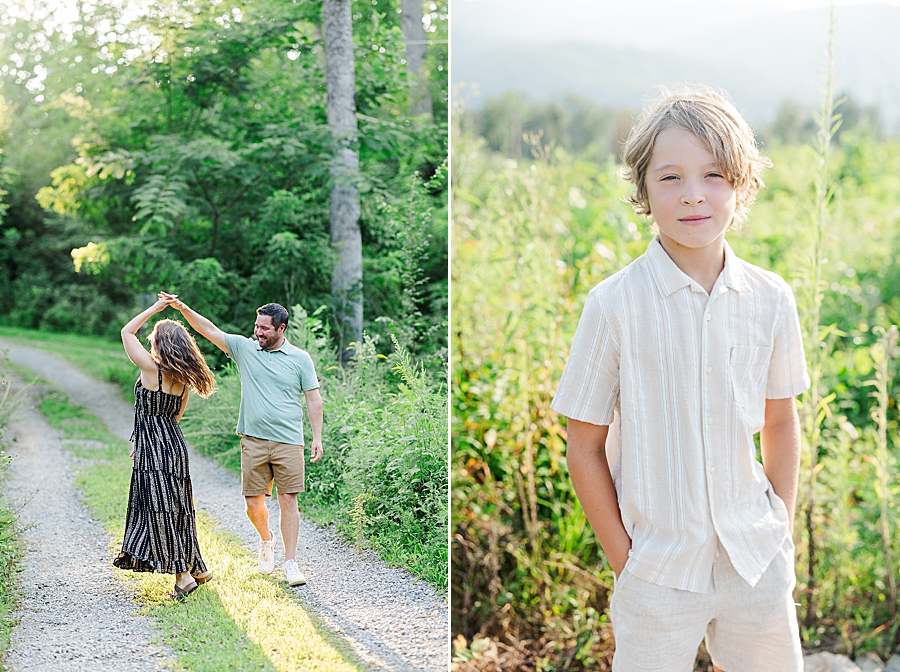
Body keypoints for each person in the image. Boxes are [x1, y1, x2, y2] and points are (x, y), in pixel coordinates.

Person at [551, 85, 809, 672]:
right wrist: (626, 562)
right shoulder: (614, 304)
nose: (693, 196)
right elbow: (583, 445)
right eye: (670, 178)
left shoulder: (770, 298)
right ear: (642, 189)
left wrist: (780, 530)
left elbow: (779, 420)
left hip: (756, 562)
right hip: (657, 570)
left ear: (741, 183)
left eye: (714, 175)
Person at [159, 293, 323, 587]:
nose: (258, 332)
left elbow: (313, 398)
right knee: (252, 503)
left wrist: (317, 437)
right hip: (254, 439)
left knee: (288, 500)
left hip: (289, 440)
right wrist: (182, 307)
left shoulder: (300, 359)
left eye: (265, 328)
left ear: (281, 328)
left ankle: (290, 563)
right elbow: (208, 330)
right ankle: (266, 539)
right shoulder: (245, 349)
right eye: (257, 326)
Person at [114, 298, 217, 601]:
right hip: (174, 446)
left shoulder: (150, 368)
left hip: (155, 451)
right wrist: (143, 442)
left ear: (160, 343)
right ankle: (196, 567)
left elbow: (126, 332)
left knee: (160, 511)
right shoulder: (183, 380)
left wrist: (155, 310)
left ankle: (183, 578)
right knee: (179, 510)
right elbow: (174, 418)